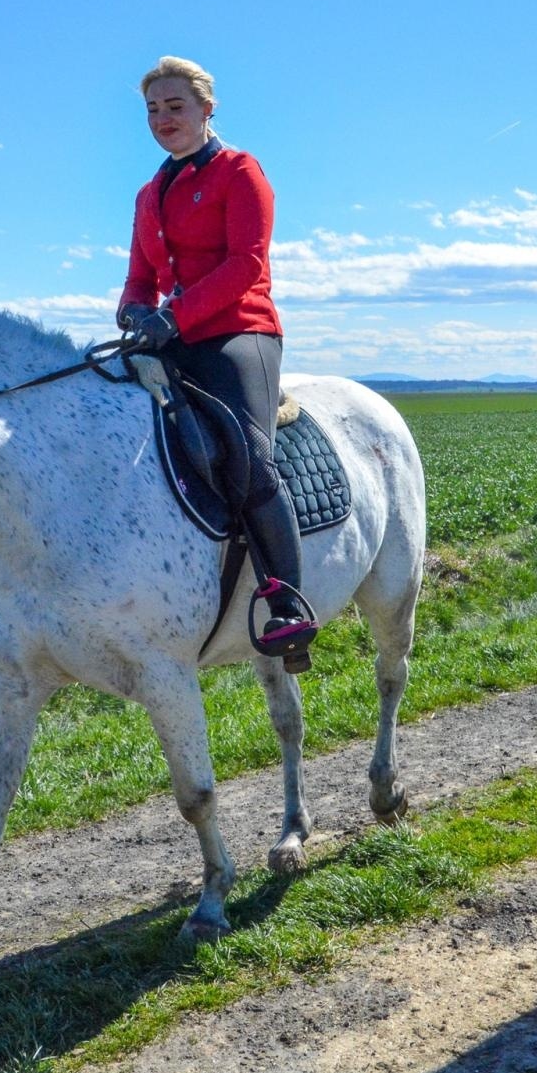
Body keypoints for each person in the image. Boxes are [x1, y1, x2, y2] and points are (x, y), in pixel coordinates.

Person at [117, 56, 317, 659]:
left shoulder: (240, 172)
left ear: (208, 108)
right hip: (169, 338)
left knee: (249, 459)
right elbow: (138, 278)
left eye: (175, 107)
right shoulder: (149, 194)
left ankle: (287, 603)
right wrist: (132, 314)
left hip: (239, 331)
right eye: (153, 110)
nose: (162, 119)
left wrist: (172, 317)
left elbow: (246, 267)